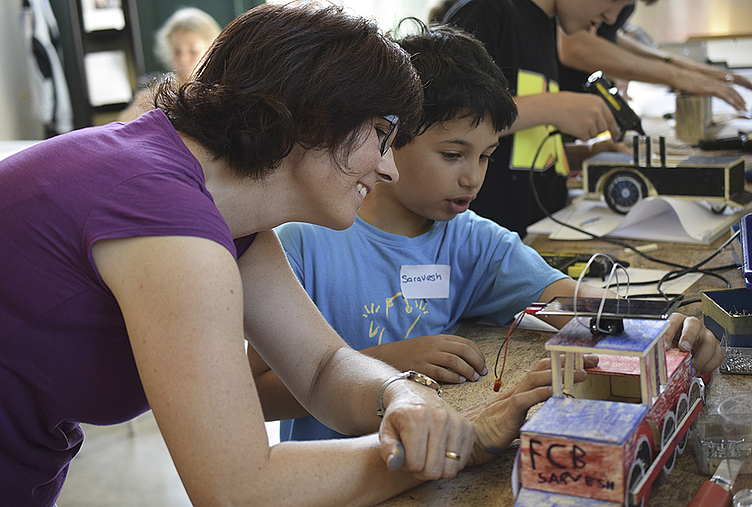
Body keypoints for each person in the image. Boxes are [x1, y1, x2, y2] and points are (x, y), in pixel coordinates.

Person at [0, 4, 587, 506]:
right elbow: (237, 489)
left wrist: (399, 393)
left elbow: (324, 367)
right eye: (381, 136)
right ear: (315, 118)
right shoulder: (169, 224)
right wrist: (452, 446)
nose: (385, 165)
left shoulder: (223, 212)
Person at [248, 20, 723, 443]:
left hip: (437, 462)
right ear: (387, 141)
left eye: (486, 155)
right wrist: (389, 360)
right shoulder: (303, 243)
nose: (473, 177)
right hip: (339, 481)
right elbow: (257, 394)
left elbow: (575, 303)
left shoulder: (471, 240)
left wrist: (664, 332)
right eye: (453, 155)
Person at [440, 0, 646, 237]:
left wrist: (587, 155)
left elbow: (516, 150)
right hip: (485, 243)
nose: (612, 18)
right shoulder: (487, 10)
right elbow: (451, 122)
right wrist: (555, 106)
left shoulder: (546, 27)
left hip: (538, 236)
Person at [557, 4, 752, 111]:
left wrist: (679, 65)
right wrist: (678, 76)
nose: (612, 18)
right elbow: (577, 46)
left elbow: (608, 36)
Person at [117, 7, 221, 122]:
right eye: (177, 51)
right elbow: (121, 123)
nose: (183, 58)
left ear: (212, 49)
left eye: (193, 51)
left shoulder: (219, 90)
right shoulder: (160, 90)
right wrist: (143, 105)